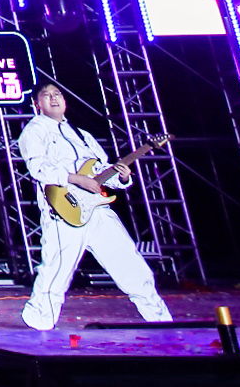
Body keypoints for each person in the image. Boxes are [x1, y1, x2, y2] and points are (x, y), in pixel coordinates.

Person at [17, 81, 172, 330]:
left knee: (131, 265)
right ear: (37, 104)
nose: (54, 98)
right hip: (63, 210)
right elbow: (38, 167)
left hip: (98, 210)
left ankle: (161, 320)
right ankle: (39, 322)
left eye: (57, 94)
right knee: (56, 272)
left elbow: (101, 170)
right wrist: (75, 179)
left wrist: (122, 177)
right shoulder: (34, 130)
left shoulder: (83, 135)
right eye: (46, 95)